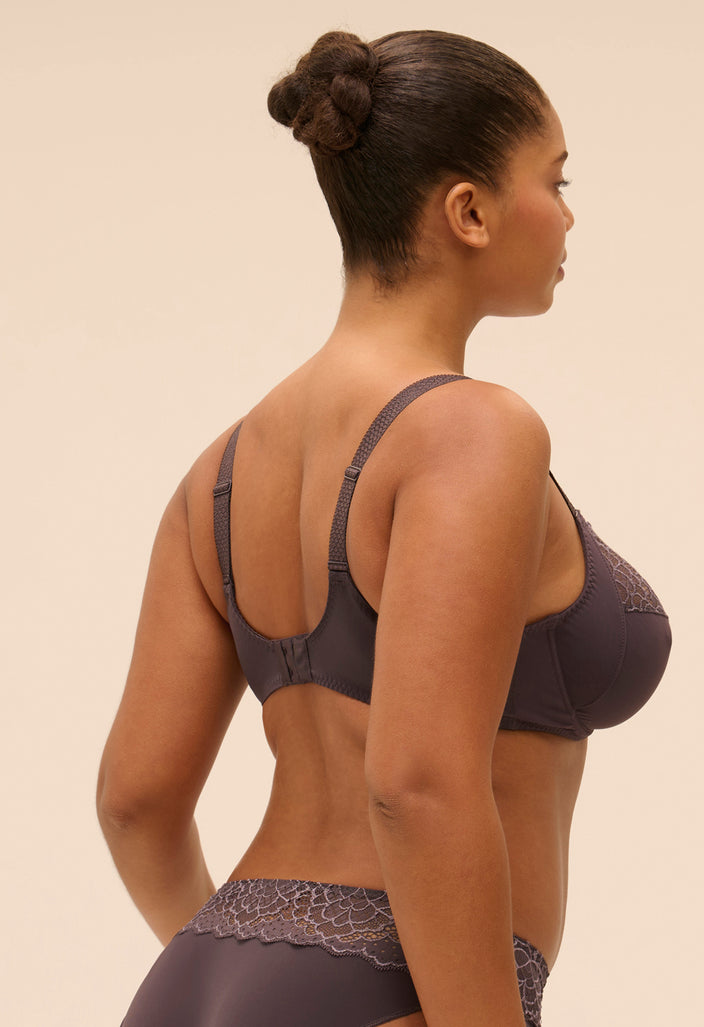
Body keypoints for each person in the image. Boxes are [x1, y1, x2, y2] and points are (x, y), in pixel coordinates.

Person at [97, 28, 672, 1027]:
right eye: (556, 180)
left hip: (195, 980)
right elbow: (414, 782)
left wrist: (255, 978)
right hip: (392, 991)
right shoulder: (473, 433)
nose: (569, 214)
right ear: (469, 211)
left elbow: (135, 800)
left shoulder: (216, 476)